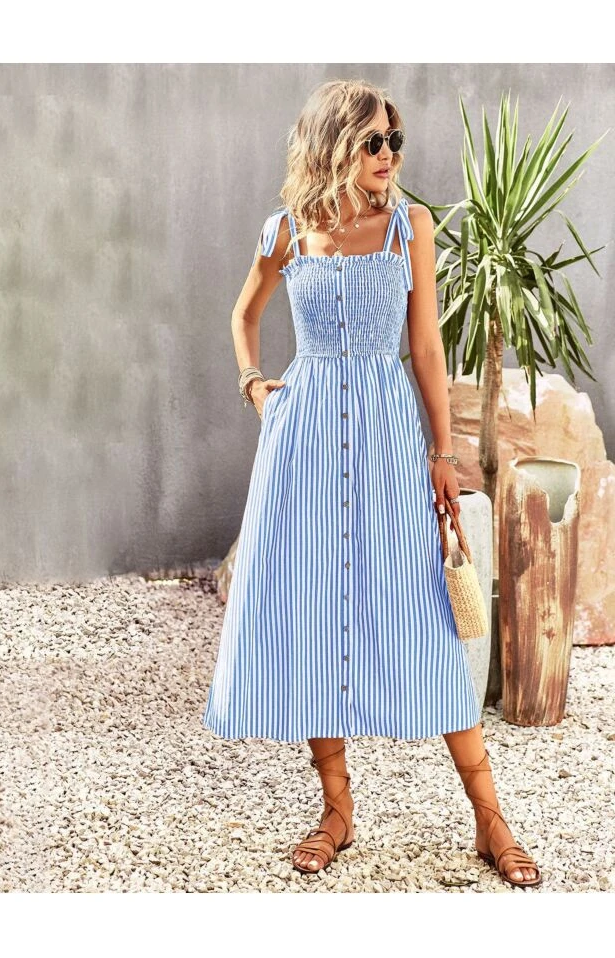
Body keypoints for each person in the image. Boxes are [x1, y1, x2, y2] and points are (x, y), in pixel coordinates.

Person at [202, 78, 541, 889]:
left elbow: (425, 349)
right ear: (333, 144)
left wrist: (444, 453)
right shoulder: (287, 231)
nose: (390, 155)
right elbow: (243, 316)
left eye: (395, 141)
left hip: (389, 437)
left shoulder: (409, 227)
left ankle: (490, 819)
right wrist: (256, 388)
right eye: (373, 142)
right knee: (315, 609)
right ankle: (337, 810)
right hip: (304, 440)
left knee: (423, 613)